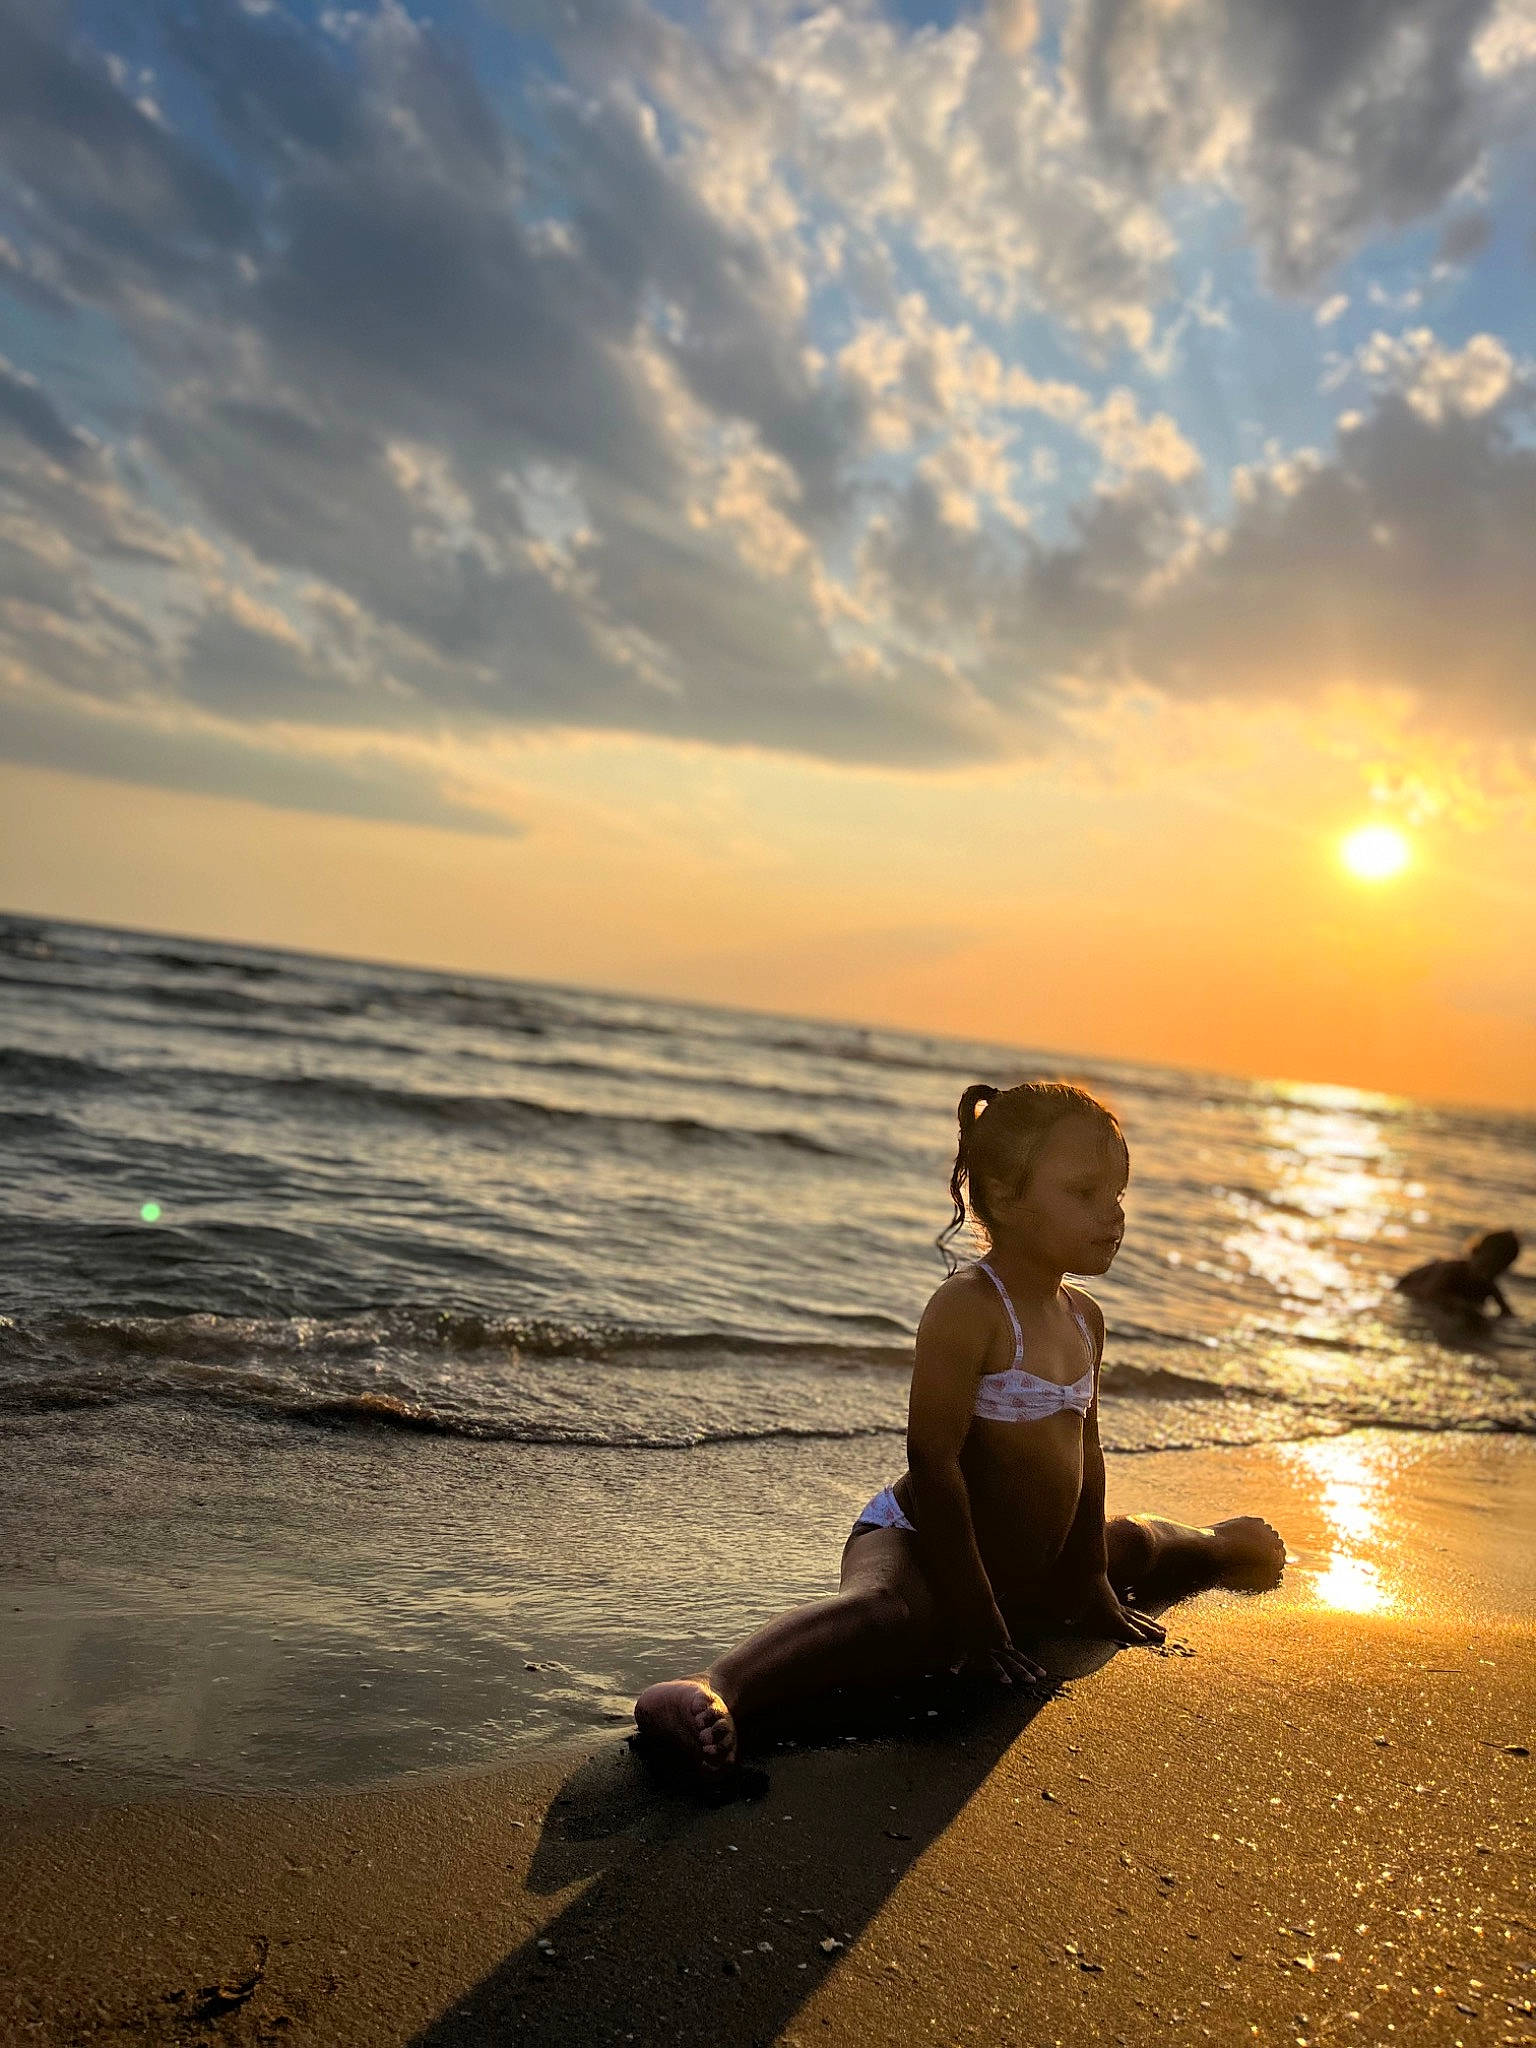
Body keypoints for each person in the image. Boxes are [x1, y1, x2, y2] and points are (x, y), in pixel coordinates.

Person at [633, 1080, 1285, 1776]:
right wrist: (975, 1614)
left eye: (1118, 1194)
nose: (1114, 1215)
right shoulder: (968, 1308)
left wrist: (1090, 1578)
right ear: (1004, 1197)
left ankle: (1215, 1543)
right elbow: (935, 1464)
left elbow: (1085, 1451)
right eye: (1086, 1194)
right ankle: (713, 1687)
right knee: (885, 1614)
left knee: (1129, 1542)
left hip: (1028, 1565)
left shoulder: (1083, 1317)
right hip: (919, 1542)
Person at [1395, 1229, 1520, 1318]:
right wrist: (1461, 1306)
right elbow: (1428, 1294)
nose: (1487, 1272)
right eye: (1485, 1264)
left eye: (1496, 1269)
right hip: (1410, 1285)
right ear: (1475, 1252)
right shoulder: (1452, 1271)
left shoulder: (1488, 1285)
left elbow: (1507, 1314)